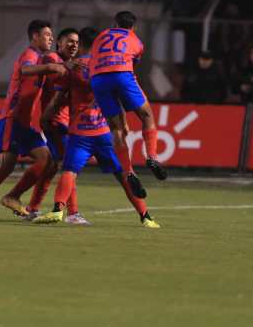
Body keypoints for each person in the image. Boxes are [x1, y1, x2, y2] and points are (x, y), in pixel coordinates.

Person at [34, 27, 160, 229]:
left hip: (79, 132)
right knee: (122, 174)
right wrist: (124, 123)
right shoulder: (103, 66)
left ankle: (58, 210)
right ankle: (146, 216)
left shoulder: (73, 68)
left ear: (81, 44)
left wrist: (47, 116)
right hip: (103, 131)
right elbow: (116, 97)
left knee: (69, 171)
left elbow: (58, 98)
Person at [0, 20, 66, 218]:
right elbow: (25, 70)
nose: (50, 38)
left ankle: (9, 198)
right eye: (47, 34)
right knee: (10, 166)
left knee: (45, 160)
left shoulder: (40, 58)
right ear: (35, 36)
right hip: (12, 118)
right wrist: (52, 66)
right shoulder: (30, 54)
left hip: (23, 122)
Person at [89, 11, 164, 199]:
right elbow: (131, 63)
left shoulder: (101, 35)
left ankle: (129, 171)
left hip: (98, 79)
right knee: (147, 116)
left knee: (117, 129)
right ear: (133, 27)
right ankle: (152, 157)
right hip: (122, 75)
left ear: (114, 23)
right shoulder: (136, 40)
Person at [19, 27, 79, 219]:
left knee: (52, 167)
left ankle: (32, 208)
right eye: (69, 41)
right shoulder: (52, 58)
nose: (74, 45)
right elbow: (57, 78)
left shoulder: (71, 64)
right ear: (59, 43)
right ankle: (72, 213)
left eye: (77, 42)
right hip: (55, 121)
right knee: (70, 166)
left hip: (66, 122)